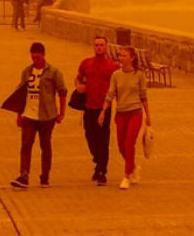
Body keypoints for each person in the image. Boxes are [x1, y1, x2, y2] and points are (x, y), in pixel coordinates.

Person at [11, 42, 67, 188]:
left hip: (47, 116)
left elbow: (62, 92)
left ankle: (45, 176)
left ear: (43, 55)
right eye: (32, 57)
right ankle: (24, 175)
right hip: (29, 115)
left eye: (37, 57)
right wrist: (19, 114)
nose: (34, 60)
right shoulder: (26, 72)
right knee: (26, 145)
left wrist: (62, 113)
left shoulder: (54, 72)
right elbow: (21, 93)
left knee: (45, 146)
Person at [99, 46, 152, 190]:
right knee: (121, 146)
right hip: (121, 113)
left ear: (132, 58)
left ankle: (126, 176)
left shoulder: (139, 75)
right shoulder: (116, 75)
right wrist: (103, 111)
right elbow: (110, 94)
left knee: (129, 144)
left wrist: (148, 116)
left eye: (124, 56)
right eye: (120, 56)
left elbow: (143, 96)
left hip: (135, 113)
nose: (121, 58)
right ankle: (133, 167)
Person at [75, 36, 119, 186]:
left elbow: (117, 86)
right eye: (96, 45)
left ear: (106, 47)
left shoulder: (112, 67)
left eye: (101, 45)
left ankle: (102, 171)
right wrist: (79, 87)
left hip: (104, 107)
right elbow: (78, 79)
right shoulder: (86, 64)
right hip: (89, 106)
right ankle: (98, 160)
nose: (99, 47)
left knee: (103, 139)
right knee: (90, 136)